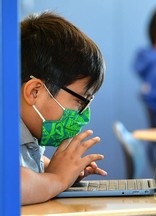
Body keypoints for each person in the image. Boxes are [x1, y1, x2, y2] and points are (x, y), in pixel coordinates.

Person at [20, 12, 107, 205]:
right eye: (80, 101)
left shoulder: (27, 136)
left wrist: (65, 171)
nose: (83, 116)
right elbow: (11, 184)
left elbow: (28, 167)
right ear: (35, 92)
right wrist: (58, 179)